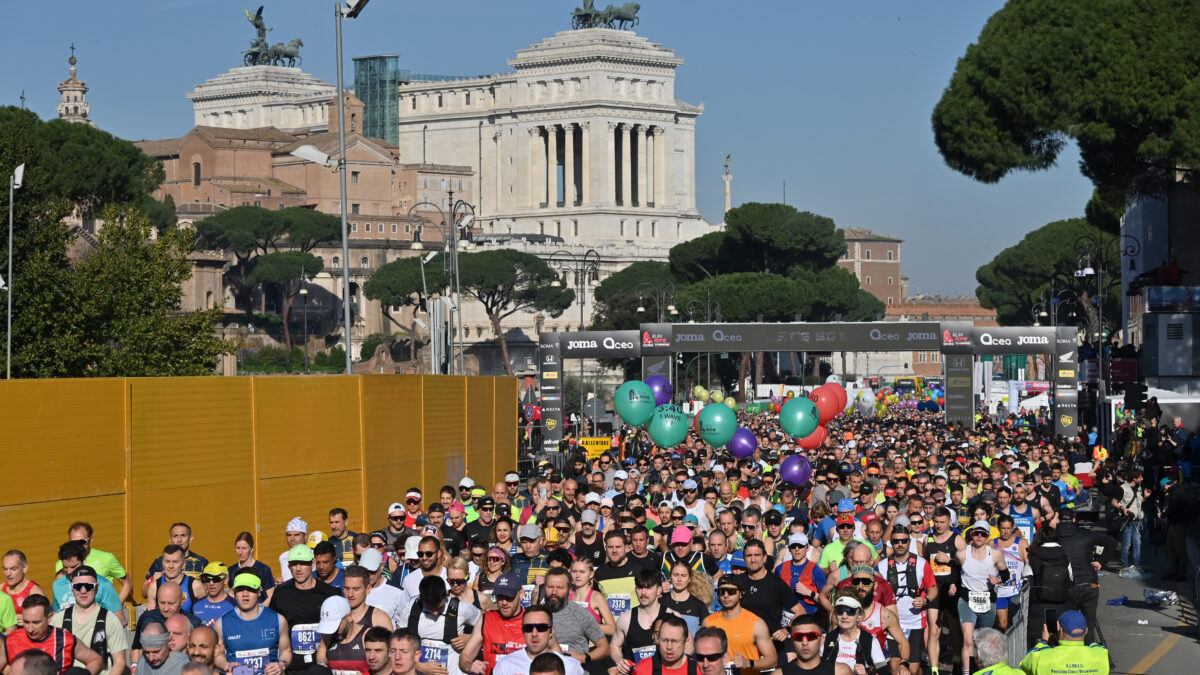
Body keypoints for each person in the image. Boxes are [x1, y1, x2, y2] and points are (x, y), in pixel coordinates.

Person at [268, 545, 340, 672]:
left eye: (303, 564)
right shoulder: (280, 593)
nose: (298, 569)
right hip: (292, 667)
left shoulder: (330, 593)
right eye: (294, 564)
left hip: (322, 666)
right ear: (289, 566)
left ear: (312, 564)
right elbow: (272, 629)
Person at [876, 526, 935, 675]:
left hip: (915, 622)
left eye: (903, 541)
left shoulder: (922, 564)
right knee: (895, 668)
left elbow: (933, 588)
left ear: (909, 542)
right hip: (892, 623)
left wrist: (925, 600)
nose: (900, 544)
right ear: (891, 542)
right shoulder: (882, 567)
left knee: (912, 669)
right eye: (896, 541)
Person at [48, 567, 127, 675]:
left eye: (89, 586)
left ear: (97, 588)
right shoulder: (58, 620)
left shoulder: (110, 620)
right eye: (78, 586)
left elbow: (120, 662)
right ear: (72, 588)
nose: (83, 591)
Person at [1054, 510, 1116, 645]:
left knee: (1066, 623)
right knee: (1089, 621)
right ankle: (1088, 650)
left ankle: (1066, 649)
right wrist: (1101, 561)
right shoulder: (1085, 534)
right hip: (1089, 584)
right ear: (1074, 520)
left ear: (1058, 519)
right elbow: (1111, 542)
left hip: (1067, 586)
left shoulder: (1053, 537)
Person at [213, 572, 292, 675]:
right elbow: (217, 656)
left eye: (250, 589)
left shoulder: (278, 620)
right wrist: (226, 665)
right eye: (240, 589)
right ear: (234, 592)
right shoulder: (221, 623)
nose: (245, 594)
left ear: (259, 592)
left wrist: (281, 665)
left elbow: (286, 651)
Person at [399, 575, 480, 675]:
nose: (435, 613)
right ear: (421, 598)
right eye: (430, 608)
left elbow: (487, 623)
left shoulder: (462, 608)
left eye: (439, 607)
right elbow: (398, 640)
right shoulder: (412, 607)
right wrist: (419, 666)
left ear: (445, 595)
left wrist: (470, 638)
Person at [4, 594, 104, 675]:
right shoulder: (12, 640)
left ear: (49, 617)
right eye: (26, 622)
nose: (30, 629)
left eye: (36, 623)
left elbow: (96, 660)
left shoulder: (65, 640)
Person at [703, 575, 776, 675]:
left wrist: (749, 663)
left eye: (731, 591)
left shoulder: (757, 624)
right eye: (721, 591)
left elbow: (772, 660)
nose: (726, 595)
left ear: (741, 594)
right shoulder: (707, 623)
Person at [458, 572, 527, 674]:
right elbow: (465, 656)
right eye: (500, 596)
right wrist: (470, 666)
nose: (504, 602)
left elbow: (555, 655)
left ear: (521, 594)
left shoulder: (533, 620)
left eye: (509, 597)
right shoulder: (486, 619)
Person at [491, 604, 585, 675]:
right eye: (528, 628)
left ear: (551, 631)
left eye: (541, 628)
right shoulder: (505, 665)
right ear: (522, 631)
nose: (534, 634)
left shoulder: (572, 667)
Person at [1018, 610, 1109, 675]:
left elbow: (1024, 664)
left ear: (1060, 630)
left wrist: (1044, 641)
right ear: (1086, 631)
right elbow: (1095, 646)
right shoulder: (1101, 655)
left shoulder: (1040, 656)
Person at [609, 569, 667, 672]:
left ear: (659, 590)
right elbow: (614, 645)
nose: (643, 593)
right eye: (640, 588)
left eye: (648, 588)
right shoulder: (625, 618)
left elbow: (687, 646)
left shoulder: (672, 616)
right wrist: (619, 660)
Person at [51, 542, 123, 621]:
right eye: (65, 567)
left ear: (84, 561)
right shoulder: (57, 585)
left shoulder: (103, 584)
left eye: (73, 567)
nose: (69, 571)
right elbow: (56, 614)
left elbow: (120, 620)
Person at [824, 593, 886, 675]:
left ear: (860, 614)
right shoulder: (825, 640)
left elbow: (885, 672)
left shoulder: (870, 641)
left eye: (850, 611)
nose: (844, 616)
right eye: (839, 610)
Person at [144, 524, 209, 594]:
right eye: (175, 536)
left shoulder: (201, 562)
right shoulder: (159, 562)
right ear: (170, 539)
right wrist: (153, 582)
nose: (179, 540)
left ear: (190, 538)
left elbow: (211, 589)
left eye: (183, 535)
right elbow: (144, 593)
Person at [780, 613, 851, 675]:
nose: (804, 643)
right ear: (792, 641)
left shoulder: (840, 672)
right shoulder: (779, 673)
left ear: (822, 640)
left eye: (811, 636)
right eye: (798, 637)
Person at [991, 515, 1027, 632]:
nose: (1005, 532)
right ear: (998, 528)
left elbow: (1029, 563)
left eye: (1008, 528)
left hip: (1016, 590)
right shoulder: (992, 544)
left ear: (1012, 528)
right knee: (1003, 625)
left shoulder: (1021, 543)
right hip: (999, 590)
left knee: (1017, 625)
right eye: (1003, 528)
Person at [775, 533, 825, 617]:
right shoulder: (780, 569)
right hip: (785, 615)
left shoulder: (815, 570)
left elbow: (826, 600)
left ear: (807, 547)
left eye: (800, 546)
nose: (797, 549)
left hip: (808, 615)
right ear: (789, 549)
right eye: (793, 546)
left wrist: (810, 593)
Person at [658, 561, 712, 635]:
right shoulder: (660, 603)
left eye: (683, 576)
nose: (679, 579)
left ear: (689, 579)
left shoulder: (699, 606)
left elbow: (707, 635)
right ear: (670, 576)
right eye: (676, 575)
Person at [146, 545, 197, 614]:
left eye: (175, 562)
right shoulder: (154, 586)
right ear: (162, 563)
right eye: (167, 562)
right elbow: (151, 616)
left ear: (184, 565)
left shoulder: (195, 586)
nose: (171, 566)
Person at [2, 551, 45, 617]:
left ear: (25, 568)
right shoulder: (1, 589)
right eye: (5, 569)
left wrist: (27, 620)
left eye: (13, 569)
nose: (8, 574)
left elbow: (44, 620)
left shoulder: (35, 592)